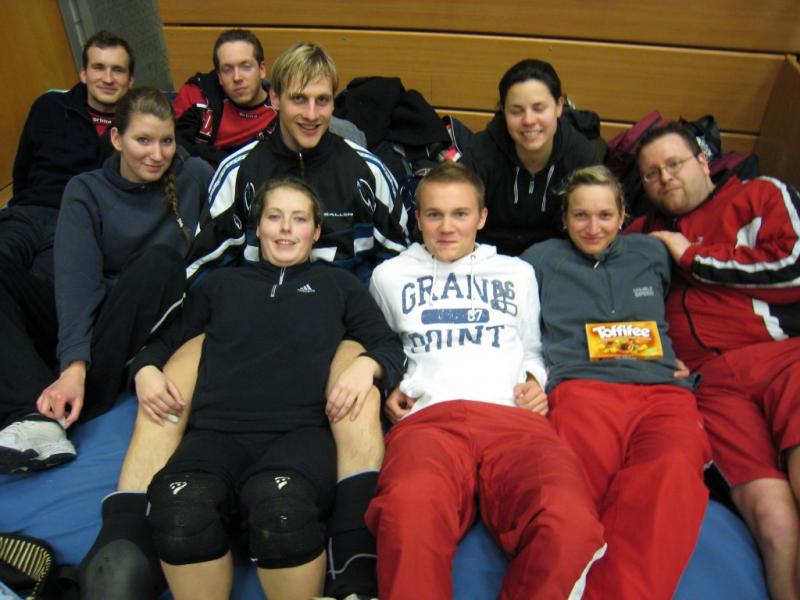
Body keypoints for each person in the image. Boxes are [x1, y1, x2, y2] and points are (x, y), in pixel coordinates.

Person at [129, 177, 403, 600]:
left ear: (316, 232)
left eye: (299, 219)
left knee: (281, 512)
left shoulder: (340, 286)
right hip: (216, 434)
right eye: (275, 217)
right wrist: (145, 369)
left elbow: (388, 345)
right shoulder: (220, 286)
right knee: (180, 510)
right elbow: (163, 342)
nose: (286, 229)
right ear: (258, 227)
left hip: (301, 434)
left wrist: (368, 364)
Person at [367, 162, 606, 599]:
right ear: (417, 218)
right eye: (434, 215)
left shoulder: (517, 273)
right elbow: (383, 347)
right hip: (430, 422)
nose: (446, 227)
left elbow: (533, 348)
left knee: (569, 522)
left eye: (460, 214)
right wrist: (389, 385)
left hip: (513, 421)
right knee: (406, 512)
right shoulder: (388, 277)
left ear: (481, 217)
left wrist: (535, 379)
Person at [521, 165, 711, 600]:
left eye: (605, 215)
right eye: (581, 215)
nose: (593, 227)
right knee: (574, 498)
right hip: (581, 390)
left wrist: (685, 358)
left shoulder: (652, 253)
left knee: (671, 477)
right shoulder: (538, 261)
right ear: (564, 218)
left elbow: (692, 306)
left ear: (623, 215)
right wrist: (530, 377)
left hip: (662, 391)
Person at [0, 87, 212, 473]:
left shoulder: (194, 176)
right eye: (143, 140)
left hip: (140, 320)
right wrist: (73, 364)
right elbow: (77, 282)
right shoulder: (86, 190)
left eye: (166, 141)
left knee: (160, 262)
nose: (157, 154)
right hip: (87, 320)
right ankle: (32, 413)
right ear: (116, 139)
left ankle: (67, 406)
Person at [630, 122, 800, 600]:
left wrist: (692, 257)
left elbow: (794, 265)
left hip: (783, 355)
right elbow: (608, 312)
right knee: (770, 517)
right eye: (651, 174)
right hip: (709, 385)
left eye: (674, 164)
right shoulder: (640, 236)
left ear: (703, 162)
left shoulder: (759, 194)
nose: (664, 178)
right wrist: (654, 361)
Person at [0, 31, 135, 470]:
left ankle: (34, 412)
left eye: (117, 70)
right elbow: (23, 170)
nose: (108, 78)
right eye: (99, 67)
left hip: (75, 229)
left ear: (130, 80)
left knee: (41, 302)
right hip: (29, 212)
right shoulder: (49, 108)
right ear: (82, 72)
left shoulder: (133, 127)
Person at [196, 40, 408, 285]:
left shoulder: (368, 171)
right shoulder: (238, 173)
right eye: (299, 99)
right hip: (259, 306)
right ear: (275, 98)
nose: (311, 114)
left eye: (322, 100)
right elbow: (202, 272)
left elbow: (400, 270)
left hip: (343, 308)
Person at [460, 58, 604, 256]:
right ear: (503, 111)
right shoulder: (481, 151)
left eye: (539, 108)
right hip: (488, 260)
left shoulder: (581, 155)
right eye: (516, 111)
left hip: (558, 260)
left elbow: (597, 225)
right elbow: (453, 213)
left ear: (559, 106)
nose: (528, 120)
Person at [172, 28, 276, 167]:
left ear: (262, 69)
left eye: (246, 67)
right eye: (227, 70)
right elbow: (174, 148)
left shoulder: (281, 108)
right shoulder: (197, 95)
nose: (237, 77)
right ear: (219, 76)